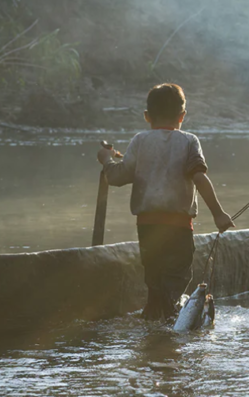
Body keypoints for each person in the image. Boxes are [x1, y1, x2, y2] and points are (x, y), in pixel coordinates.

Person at [96, 83, 234, 321]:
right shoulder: (189, 141)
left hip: (148, 227)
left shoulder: (140, 141)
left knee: (154, 279)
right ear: (182, 116)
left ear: (147, 116)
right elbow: (200, 178)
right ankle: (170, 325)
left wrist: (107, 160)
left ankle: (154, 321)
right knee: (176, 279)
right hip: (179, 228)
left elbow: (118, 177)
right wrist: (218, 214)